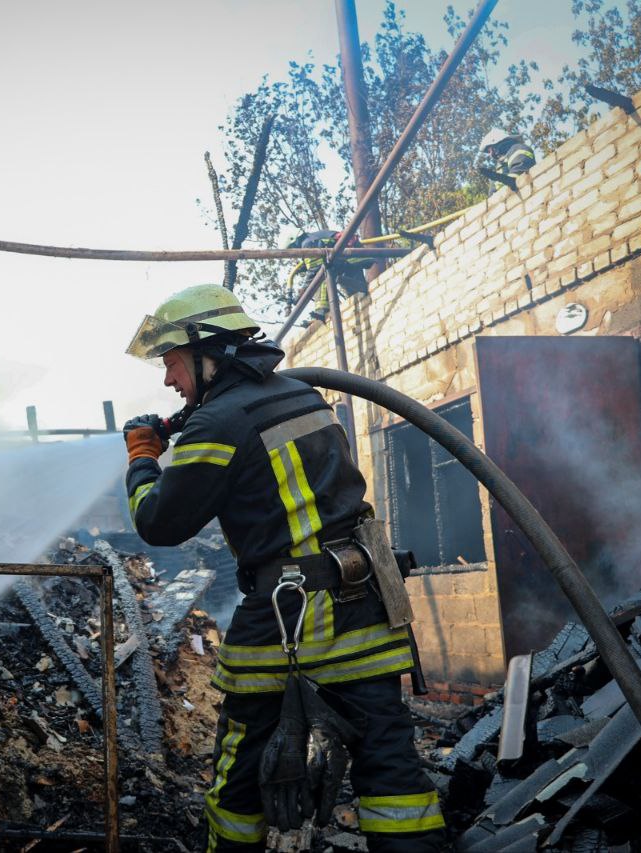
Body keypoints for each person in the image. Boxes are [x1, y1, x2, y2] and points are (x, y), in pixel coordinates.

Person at [122, 284, 444, 852]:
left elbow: (159, 524)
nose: (169, 380)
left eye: (171, 364)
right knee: (390, 763)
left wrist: (143, 459)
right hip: (364, 603)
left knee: (241, 770)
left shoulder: (214, 425)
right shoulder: (301, 395)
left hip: (286, 614)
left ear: (205, 352)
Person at [284, 230, 371, 323]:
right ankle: (325, 313)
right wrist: (304, 267)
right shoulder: (311, 239)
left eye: (291, 248)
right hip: (350, 260)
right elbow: (319, 258)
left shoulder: (308, 244)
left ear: (295, 241)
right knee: (356, 295)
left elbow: (314, 270)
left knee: (322, 276)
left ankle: (322, 311)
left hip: (351, 259)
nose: (293, 252)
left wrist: (301, 293)